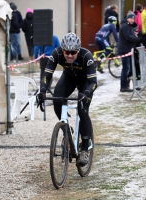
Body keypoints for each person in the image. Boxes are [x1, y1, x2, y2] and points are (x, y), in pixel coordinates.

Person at [36, 33, 97, 165]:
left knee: (82, 109)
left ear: (78, 50)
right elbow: (47, 75)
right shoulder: (56, 53)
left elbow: (93, 82)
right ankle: (66, 127)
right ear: (62, 50)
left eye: (73, 52)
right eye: (66, 52)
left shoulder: (86, 56)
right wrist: (42, 90)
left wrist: (86, 93)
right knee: (57, 99)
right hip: (68, 78)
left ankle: (85, 149)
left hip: (85, 82)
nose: (69, 55)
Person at [118, 12, 141, 92]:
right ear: (127, 18)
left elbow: (132, 36)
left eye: (133, 19)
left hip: (128, 49)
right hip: (124, 50)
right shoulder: (125, 26)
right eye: (131, 18)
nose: (132, 20)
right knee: (126, 68)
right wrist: (137, 39)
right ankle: (123, 86)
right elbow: (128, 37)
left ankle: (127, 84)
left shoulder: (129, 26)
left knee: (129, 68)